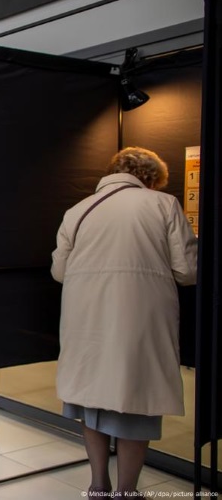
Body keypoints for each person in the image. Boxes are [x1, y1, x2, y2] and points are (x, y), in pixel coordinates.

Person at [51, 147, 198, 499]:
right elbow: (187, 270)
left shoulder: (78, 210)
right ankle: (127, 491)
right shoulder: (163, 205)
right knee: (136, 400)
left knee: (92, 398)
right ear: (151, 178)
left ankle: (98, 484)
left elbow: (60, 271)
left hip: (85, 316)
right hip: (139, 316)